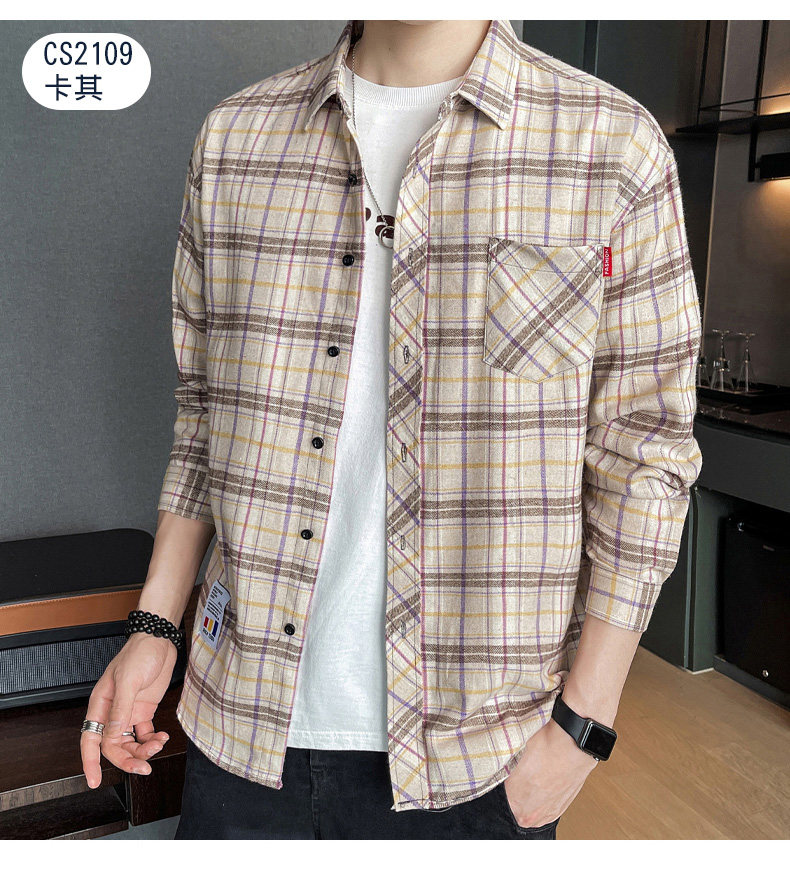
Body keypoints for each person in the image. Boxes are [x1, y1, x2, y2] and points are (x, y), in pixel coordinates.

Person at [79, 19, 702, 840]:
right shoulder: (236, 139)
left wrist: (583, 725)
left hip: (483, 755)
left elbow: (643, 454)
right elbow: (203, 416)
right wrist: (155, 628)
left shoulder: (611, 146)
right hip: (243, 725)